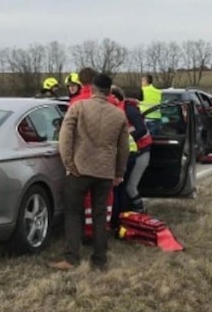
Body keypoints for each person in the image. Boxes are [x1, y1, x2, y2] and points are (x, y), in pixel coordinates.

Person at [49, 72, 130, 272]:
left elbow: (65, 138)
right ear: (109, 91)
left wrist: (69, 163)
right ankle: (100, 259)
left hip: (80, 169)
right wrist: (119, 173)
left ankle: (72, 258)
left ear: (92, 89)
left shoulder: (78, 107)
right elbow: (124, 148)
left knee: (73, 212)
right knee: (100, 214)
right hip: (104, 172)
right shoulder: (118, 115)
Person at [109, 86, 152, 231]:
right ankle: (128, 216)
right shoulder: (121, 109)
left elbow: (141, 129)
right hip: (131, 151)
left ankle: (139, 213)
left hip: (140, 151)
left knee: (130, 187)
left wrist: (125, 138)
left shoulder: (128, 109)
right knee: (124, 188)